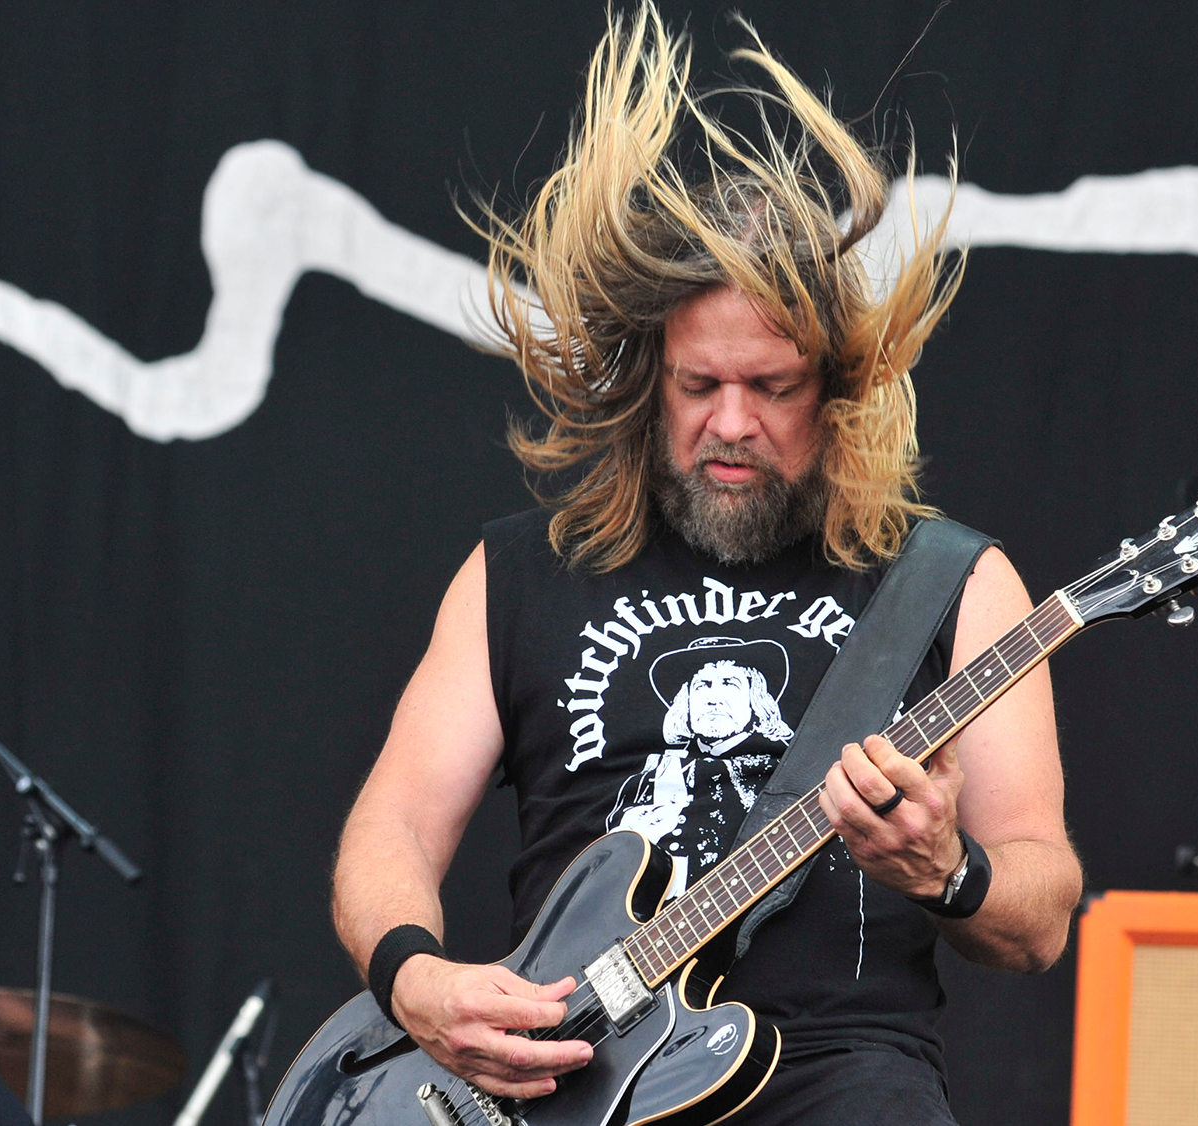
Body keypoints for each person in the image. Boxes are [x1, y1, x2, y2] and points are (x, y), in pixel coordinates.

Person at [330, 6, 1081, 1122]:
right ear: (653, 381)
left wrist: (947, 868)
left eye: (771, 387)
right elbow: (390, 824)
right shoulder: (520, 572)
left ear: (833, 391)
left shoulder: (953, 585)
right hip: (571, 1083)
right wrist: (414, 978)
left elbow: (1041, 912)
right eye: (699, 385)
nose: (731, 423)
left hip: (841, 1075)